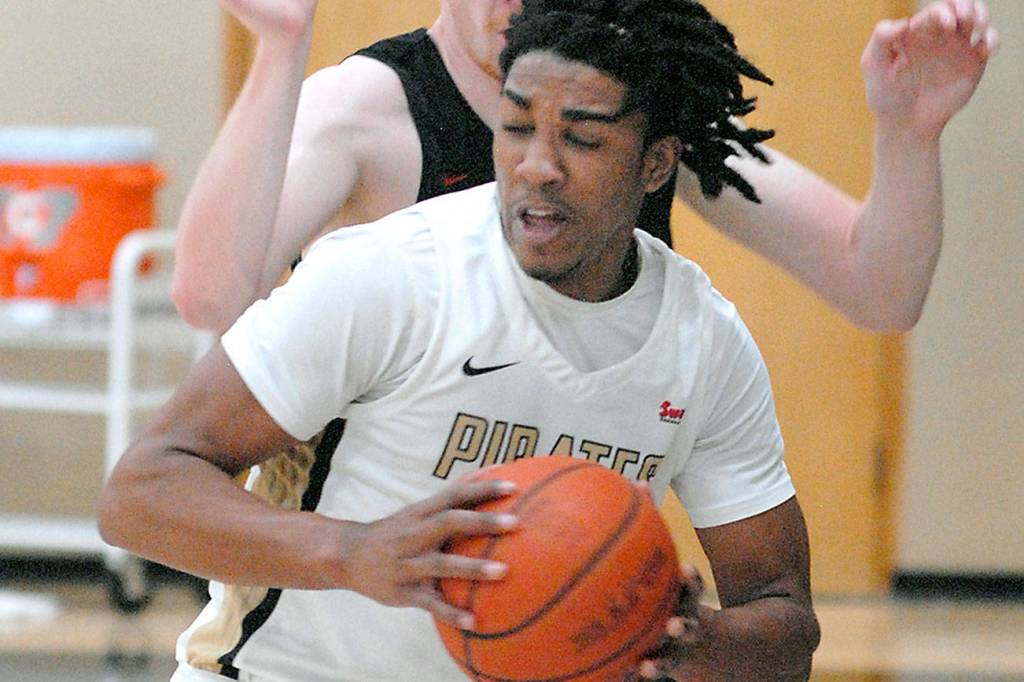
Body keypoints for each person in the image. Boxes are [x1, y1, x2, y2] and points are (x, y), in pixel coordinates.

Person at [99, 1, 820, 679]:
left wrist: (693, 640)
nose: (537, 165)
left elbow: (784, 618)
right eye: (515, 127)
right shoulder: (393, 275)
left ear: (657, 162)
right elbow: (142, 491)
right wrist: (350, 552)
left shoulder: (704, 341)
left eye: (582, 138)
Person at [171, 0, 997, 335]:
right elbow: (211, 296)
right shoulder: (368, 106)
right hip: (373, 565)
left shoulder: (641, 109)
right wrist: (279, 49)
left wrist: (908, 135)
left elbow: (881, 291)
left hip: (565, 545)